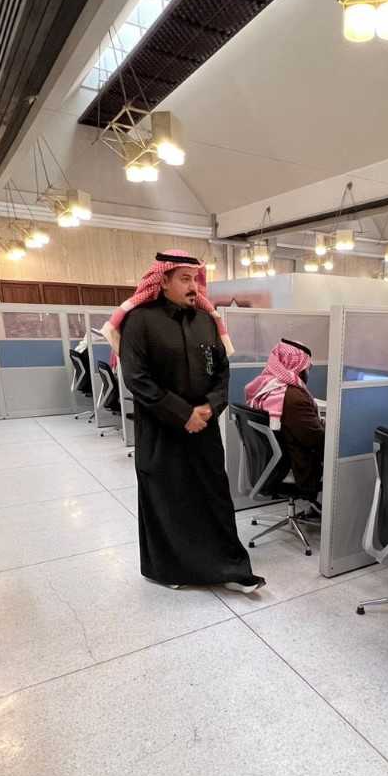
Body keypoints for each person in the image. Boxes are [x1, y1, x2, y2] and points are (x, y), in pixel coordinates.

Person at [105, 250, 265, 593]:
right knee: (169, 498)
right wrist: (183, 414)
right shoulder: (140, 321)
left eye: (196, 279)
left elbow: (222, 372)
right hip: (161, 430)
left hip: (204, 429)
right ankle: (171, 570)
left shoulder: (206, 321)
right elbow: (137, 379)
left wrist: (210, 407)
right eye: (184, 279)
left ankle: (231, 568)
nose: (194, 286)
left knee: (214, 496)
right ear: (163, 280)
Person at [245, 338, 325, 514]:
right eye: (307, 367)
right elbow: (318, 440)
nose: (308, 372)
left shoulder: (266, 385)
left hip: (271, 464)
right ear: (295, 365)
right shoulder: (292, 397)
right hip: (295, 467)